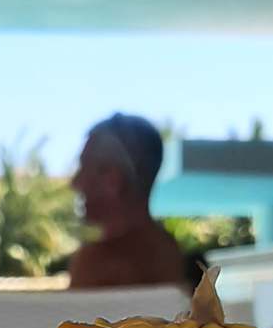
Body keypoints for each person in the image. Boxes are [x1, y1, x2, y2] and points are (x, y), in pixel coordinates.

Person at [68, 114, 187, 290]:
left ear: (112, 179)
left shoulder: (94, 265)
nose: (74, 183)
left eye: (85, 166)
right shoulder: (172, 259)